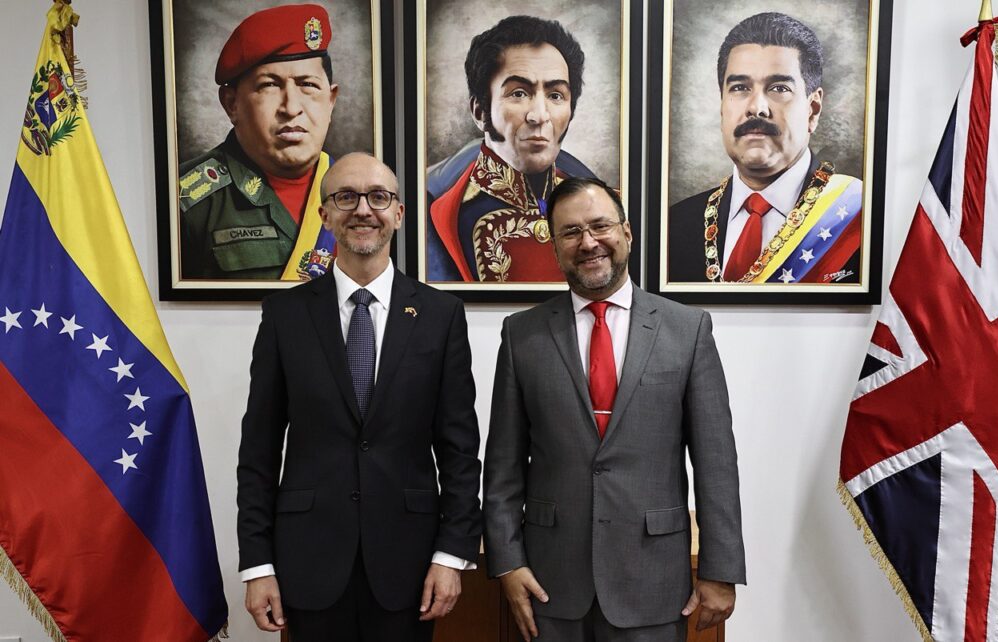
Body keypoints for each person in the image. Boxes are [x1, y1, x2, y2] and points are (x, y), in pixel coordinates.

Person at [484, 177, 746, 641]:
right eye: (570, 232)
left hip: (654, 579)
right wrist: (507, 561)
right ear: (555, 247)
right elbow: (503, 465)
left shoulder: (687, 330)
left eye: (600, 226)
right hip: (549, 583)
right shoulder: (521, 335)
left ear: (626, 233)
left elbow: (716, 463)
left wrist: (720, 570)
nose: (588, 242)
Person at [237, 152, 483, 641]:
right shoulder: (285, 315)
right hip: (308, 560)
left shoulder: (441, 315)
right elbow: (259, 451)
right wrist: (258, 564)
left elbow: (459, 450)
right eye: (346, 197)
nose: (363, 210)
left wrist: (451, 554)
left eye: (378, 197)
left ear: (399, 213)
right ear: (324, 214)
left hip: (410, 564)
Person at [667, 12, 863, 285]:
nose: (757, 108)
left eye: (779, 88)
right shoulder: (674, 225)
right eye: (739, 87)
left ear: (813, 109)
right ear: (722, 106)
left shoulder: (860, 219)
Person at [426, 15, 598, 283]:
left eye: (555, 95)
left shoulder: (601, 204)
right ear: (479, 111)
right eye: (519, 93)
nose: (540, 115)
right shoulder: (436, 210)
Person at [178, 4, 339, 280]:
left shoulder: (363, 196)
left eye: (308, 85)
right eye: (269, 85)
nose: (291, 108)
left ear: (331, 100)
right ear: (232, 104)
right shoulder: (183, 202)